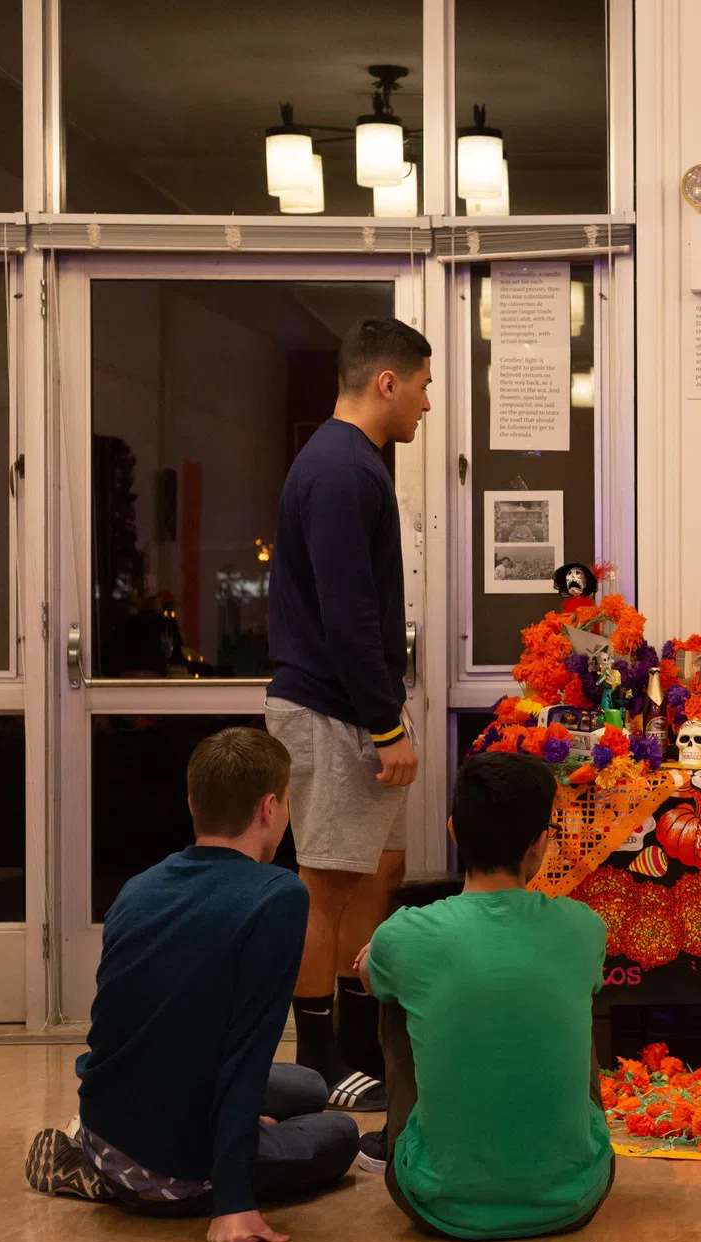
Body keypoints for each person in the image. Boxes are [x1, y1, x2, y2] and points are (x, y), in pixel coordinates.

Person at [23, 728, 359, 1242]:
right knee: (339, 1136)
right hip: (167, 1169)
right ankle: (133, 1179)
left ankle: (91, 1153)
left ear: (192, 803)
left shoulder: (140, 886)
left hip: (108, 1121)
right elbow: (249, 1049)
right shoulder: (277, 896)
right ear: (269, 808)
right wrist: (234, 1201)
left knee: (310, 1087)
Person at [265, 316, 433, 1113]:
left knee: (378, 873)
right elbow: (346, 613)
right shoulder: (339, 469)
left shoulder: (358, 466)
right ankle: (321, 1059)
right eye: (424, 385)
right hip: (332, 711)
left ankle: (364, 1040)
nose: (427, 404)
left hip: (358, 709)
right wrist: (387, 723)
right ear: (387, 382)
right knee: (325, 885)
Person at [359, 753, 614, 1240]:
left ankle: (406, 1141)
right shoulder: (586, 928)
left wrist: (381, 955)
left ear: (454, 832)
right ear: (540, 845)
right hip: (575, 1197)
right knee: (561, 995)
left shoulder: (404, 934)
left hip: (435, 1205)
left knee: (396, 993)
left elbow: (369, 979)